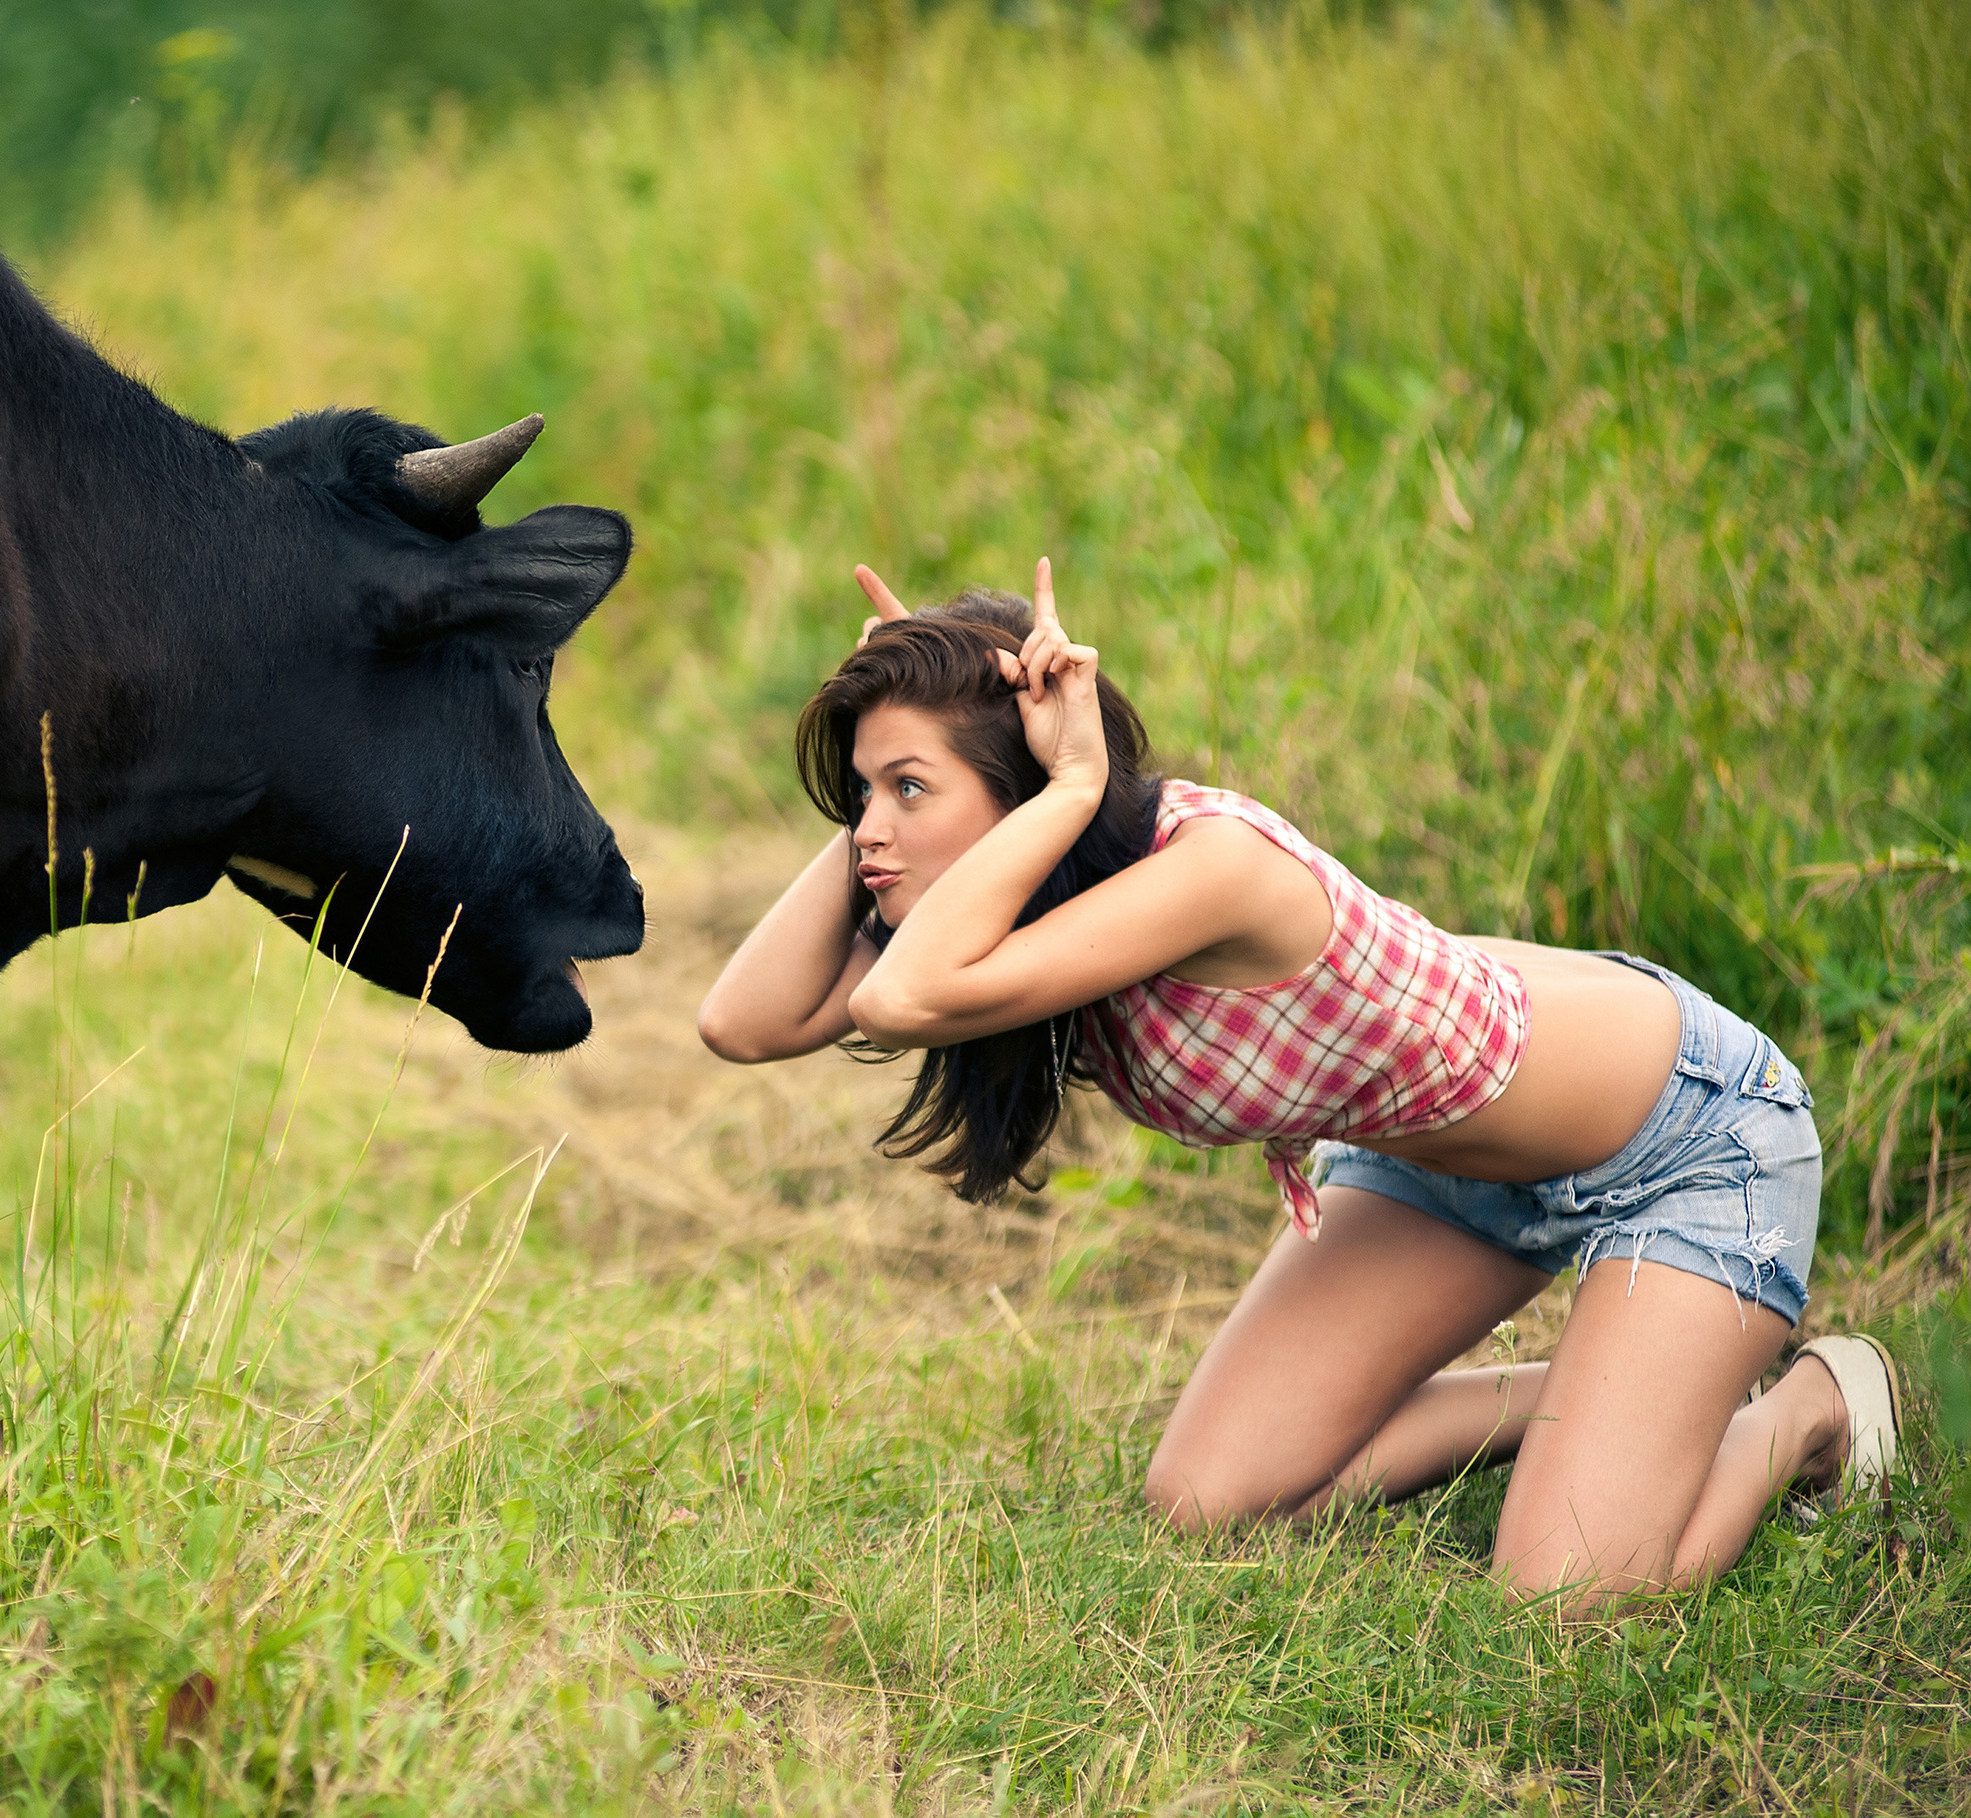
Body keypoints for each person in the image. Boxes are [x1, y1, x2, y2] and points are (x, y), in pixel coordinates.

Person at [698, 557, 1902, 1612]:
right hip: (1434, 1170)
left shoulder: (1207, 868)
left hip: (1685, 1141)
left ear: (1022, 792)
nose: (869, 829)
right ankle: (1615, 1396)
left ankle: (1797, 1411)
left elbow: (897, 1001)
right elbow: (742, 1023)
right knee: (1204, 1501)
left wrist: (1061, 784)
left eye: (906, 792)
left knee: (1570, 1600)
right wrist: (898, 765)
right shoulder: (1008, 914)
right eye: (866, 793)